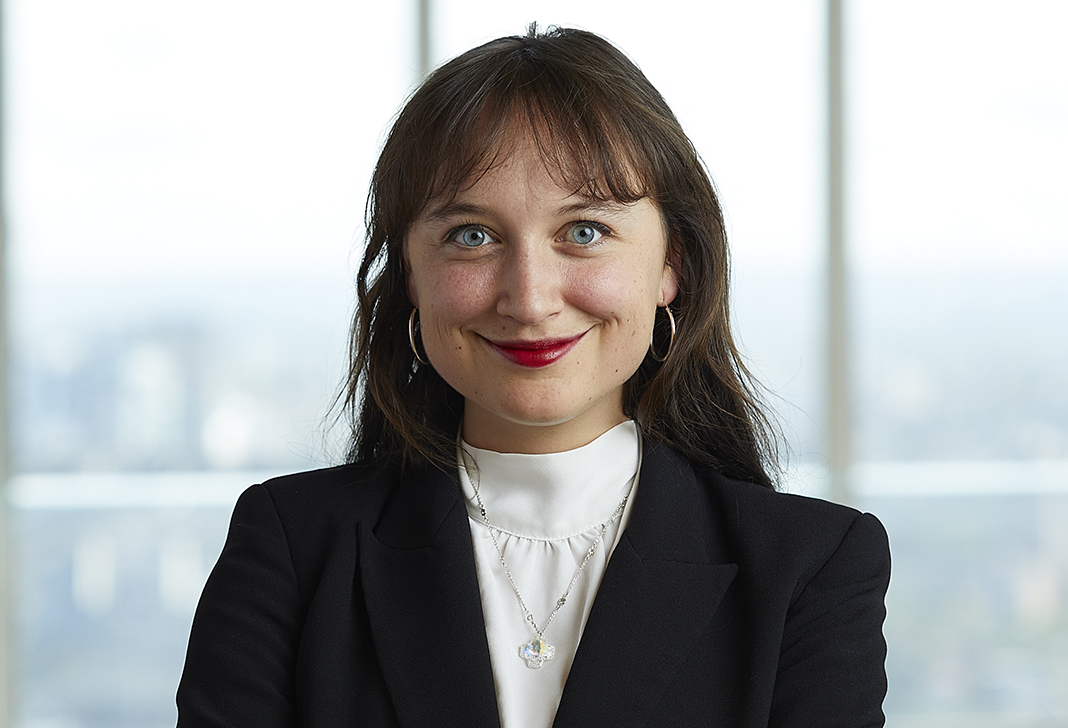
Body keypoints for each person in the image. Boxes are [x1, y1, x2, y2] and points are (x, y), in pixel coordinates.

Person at [177, 25, 890, 728]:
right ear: (411, 277)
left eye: (584, 232)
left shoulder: (810, 567)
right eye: (472, 236)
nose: (529, 299)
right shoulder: (292, 550)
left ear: (670, 264)